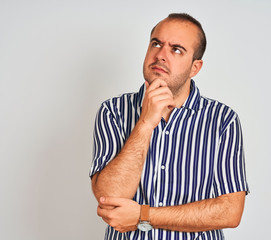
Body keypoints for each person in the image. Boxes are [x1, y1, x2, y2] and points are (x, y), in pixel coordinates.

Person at [90, 13, 249, 240]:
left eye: (176, 49)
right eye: (156, 43)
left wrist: (143, 215)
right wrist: (145, 123)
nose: (161, 55)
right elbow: (109, 197)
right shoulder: (113, 111)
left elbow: (230, 211)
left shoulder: (223, 120)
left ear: (195, 67)